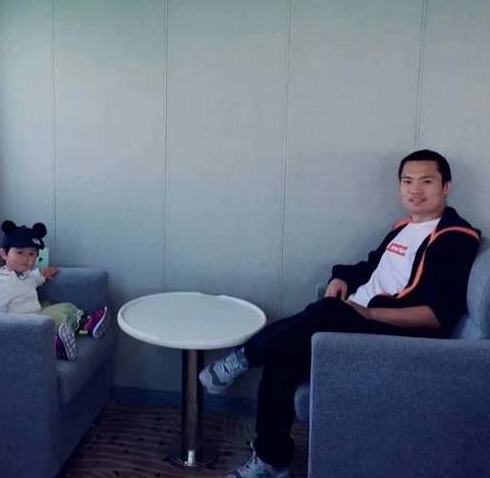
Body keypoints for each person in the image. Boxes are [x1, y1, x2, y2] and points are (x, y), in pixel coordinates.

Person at [199, 150, 481, 478]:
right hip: (354, 320)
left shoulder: (455, 238)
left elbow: (435, 316)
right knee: (283, 356)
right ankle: (271, 460)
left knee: (328, 311)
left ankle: (244, 357)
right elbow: (371, 267)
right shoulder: (404, 226)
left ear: (446, 187)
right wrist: (342, 278)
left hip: (391, 337)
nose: (415, 189)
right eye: (407, 181)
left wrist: (370, 316)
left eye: (426, 181)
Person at [0, 220, 110, 361]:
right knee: (61, 314)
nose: (26, 258)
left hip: (33, 313)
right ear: (4, 254)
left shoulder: (23, 274)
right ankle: (66, 339)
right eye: (19, 252)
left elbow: (32, 279)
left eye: (31, 254)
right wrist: (4, 334)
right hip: (21, 325)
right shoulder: (1, 282)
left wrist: (42, 274)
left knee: (62, 307)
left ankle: (79, 329)